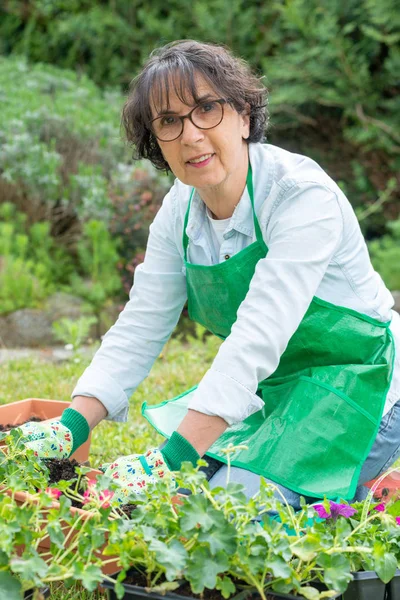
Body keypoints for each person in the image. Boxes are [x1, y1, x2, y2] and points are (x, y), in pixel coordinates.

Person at [19, 40, 400, 508]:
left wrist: (172, 458)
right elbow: (141, 323)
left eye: (206, 108)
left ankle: (362, 492)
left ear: (243, 115)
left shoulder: (300, 197)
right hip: (269, 390)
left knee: (224, 513)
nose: (191, 135)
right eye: (169, 122)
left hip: (362, 385)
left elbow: (258, 335)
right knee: (171, 505)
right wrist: (69, 426)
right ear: (156, 141)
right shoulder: (179, 212)